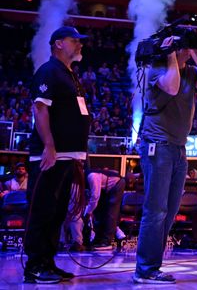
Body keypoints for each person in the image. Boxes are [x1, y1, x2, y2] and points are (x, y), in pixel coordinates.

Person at [134, 41, 197, 284]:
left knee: (169, 211)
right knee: (156, 210)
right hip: (158, 146)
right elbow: (171, 88)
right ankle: (145, 268)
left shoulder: (191, 72)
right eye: (185, 47)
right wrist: (171, 56)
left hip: (179, 149)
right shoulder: (159, 68)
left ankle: (152, 265)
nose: (189, 50)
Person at [23, 26, 91, 284]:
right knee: (42, 210)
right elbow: (40, 109)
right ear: (59, 44)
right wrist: (49, 145)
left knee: (57, 211)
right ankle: (34, 266)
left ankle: (47, 262)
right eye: (76, 40)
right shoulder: (49, 71)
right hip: (50, 155)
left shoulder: (69, 74)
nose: (80, 45)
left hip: (67, 156)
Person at [85, 166, 125, 250]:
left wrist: (88, 212)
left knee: (111, 213)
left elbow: (95, 197)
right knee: (99, 213)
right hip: (106, 187)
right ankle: (98, 239)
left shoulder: (92, 176)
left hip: (117, 184)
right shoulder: (85, 179)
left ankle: (106, 242)